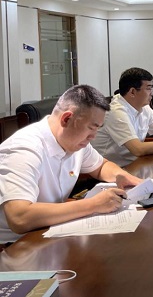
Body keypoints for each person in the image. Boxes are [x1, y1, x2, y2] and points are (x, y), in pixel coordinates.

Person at [0, 85, 144, 245]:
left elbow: (101, 166)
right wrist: (94, 204)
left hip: (49, 232)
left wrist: (123, 176)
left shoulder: (74, 141)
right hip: (15, 245)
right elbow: (19, 218)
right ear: (66, 119)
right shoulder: (24, 150)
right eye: (92, 128)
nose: (93, 136)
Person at [91, 68, 153, 166]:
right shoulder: (116, 112)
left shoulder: (144, 107)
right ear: (132, 92)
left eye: (152, 89)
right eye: (149, 89)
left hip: (135, 163)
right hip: (111, 169)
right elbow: (138, 149)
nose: (152, 94)